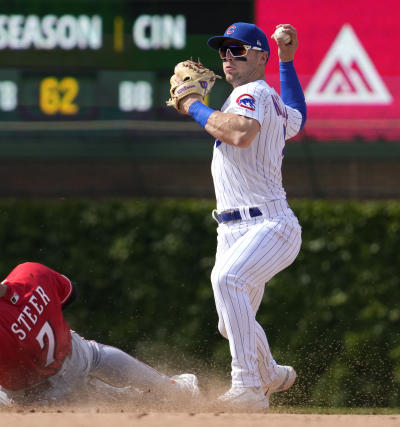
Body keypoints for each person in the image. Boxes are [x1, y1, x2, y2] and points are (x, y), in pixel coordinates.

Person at [0, 247, 200, 408]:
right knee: (93, 354)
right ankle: (176, 391)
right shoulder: (31, 272)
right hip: (78, 356)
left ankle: (137, 402)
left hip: (45, 396)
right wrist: (30, 315)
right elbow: (68, 294)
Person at [175, 22, 306, 411]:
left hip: (268, 223)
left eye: (240, 50)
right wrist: (287, 62)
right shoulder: (271, 100)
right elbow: (298, 113)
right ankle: (271, 374)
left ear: (258, 56)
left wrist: (192, 106)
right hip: (235, 228)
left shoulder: (252, 93)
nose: (228, 58)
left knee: (227, 278)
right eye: (224, 51)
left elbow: (241, 134)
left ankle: (249, 387)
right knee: (229, 322)